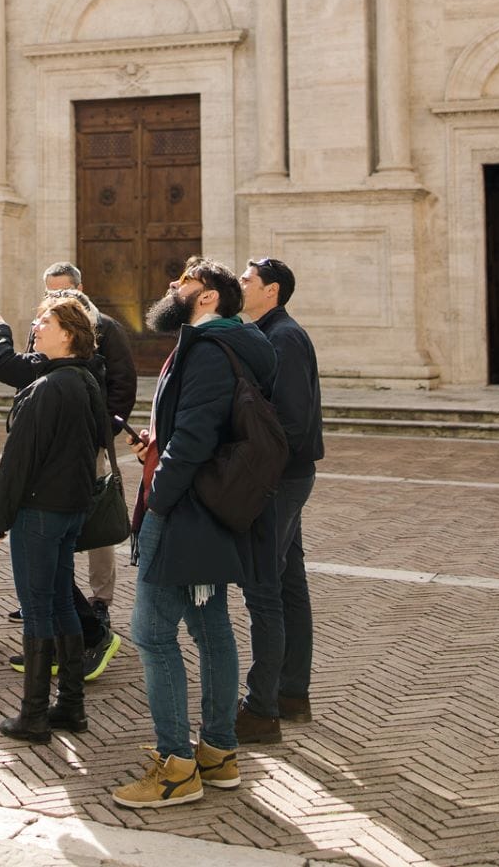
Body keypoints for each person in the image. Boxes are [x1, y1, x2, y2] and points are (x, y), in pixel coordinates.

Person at [112, 257, 276, 812]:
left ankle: (175, 767)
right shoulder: (226, 345)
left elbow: (197, 434)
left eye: (182, 282)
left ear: (207, 298)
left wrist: (160, 494)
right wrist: (156, 451)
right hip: (207, 505)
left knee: (152, 634)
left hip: (185, 509)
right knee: (209, 626)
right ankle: (219, 752)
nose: (171, 286)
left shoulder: (207, 349)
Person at [0, 296, 107, 743]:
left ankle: (33, 714)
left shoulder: (47, 388)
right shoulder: (85, 381)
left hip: (39, 512)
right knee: (58, 603)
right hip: (72, 509)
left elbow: (18, 462)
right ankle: (70, 706)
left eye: (46, 321)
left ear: (68, 334)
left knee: (38, 610)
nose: (36, 325)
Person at [236, 256, 324, 741]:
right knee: (289, 582)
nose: (240, 284)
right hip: (287, 476)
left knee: (264, 587)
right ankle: (292, 693)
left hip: (280, 480)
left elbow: (290, 418)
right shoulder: (273, 333)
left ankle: (262, 706)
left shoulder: (283, 337)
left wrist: (257, 470)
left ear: (271, 290)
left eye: (247, 280)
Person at [39, 262, 137, 629]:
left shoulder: (107, 328)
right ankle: (50, 594)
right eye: (51, 293)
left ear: (81, 287)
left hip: (90, 443)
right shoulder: (46, 326)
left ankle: (100, 599)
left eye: (64, 291)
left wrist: (101, 433)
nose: (58, 299)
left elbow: (124, 386)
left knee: (98, 518)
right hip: (51, 446)